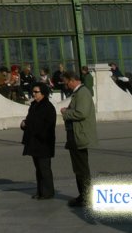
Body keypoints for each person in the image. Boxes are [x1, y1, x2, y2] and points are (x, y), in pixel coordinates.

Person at [60, 70, 97, 207]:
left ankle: (86, 197)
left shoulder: (83, 93)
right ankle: (83, 195)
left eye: (65, 82)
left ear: (72, 80)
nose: (65, 86)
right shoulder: (78, 93)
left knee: (81, 169)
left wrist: (66, 112)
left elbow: (81, 113)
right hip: (75, 135)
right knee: (78, 168)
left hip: (79, 135)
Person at [21, 83, 56, 200]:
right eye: (33, 91)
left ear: (43, 93)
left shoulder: (48, 107)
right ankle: (40, 191)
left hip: (44, 142)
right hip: (34, 141)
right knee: (38, 168)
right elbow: (30, 119)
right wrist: (24, 123)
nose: (34, 94)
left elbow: (44, 125)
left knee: (44, 168)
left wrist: (28, 124)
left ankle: (48, 192)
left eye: (36, 92)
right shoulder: (34, 105)